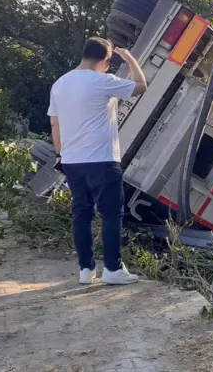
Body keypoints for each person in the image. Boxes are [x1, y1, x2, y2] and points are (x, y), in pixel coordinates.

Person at [48, 37, 148, 285]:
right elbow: (141, 86)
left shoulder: (60, 84)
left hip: (72, 161)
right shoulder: (102, 81)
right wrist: (129, 59)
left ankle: (85, 270)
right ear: (105, 61)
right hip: (102, 160)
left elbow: (54, 123)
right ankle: (112, 270)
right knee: (111, 214)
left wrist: (61, 154)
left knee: (81, 214)